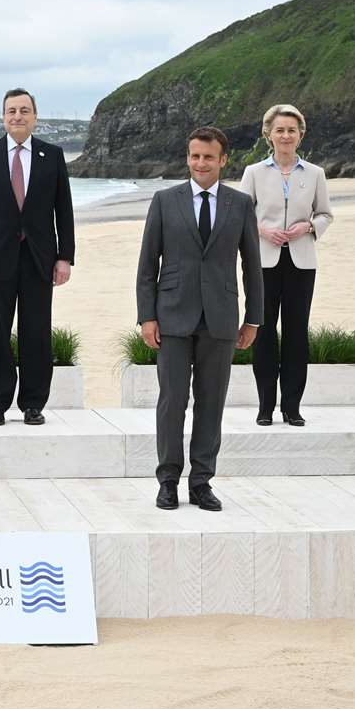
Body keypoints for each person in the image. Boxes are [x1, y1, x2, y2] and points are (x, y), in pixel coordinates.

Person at [135, 126, 263, 512]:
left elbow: (252, 266)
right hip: (172, 316)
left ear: (223, 160)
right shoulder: (164, 200)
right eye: (194, 156)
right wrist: (146, 317)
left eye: (208, 157)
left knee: (212, 403)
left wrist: (254, 319)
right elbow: (147, 265)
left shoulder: (239, 205)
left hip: (221, 318)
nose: (200, 163)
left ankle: (202, 481)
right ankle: (168, 480)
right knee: (172, 401)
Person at [0, 88, 75, 426]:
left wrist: (64, 256)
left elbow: (63, 210)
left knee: (36, 331)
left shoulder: (52, 156)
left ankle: (33, 403)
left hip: (40, 257)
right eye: (11, 111)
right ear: (3, 117)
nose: (18, 116)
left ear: (35, 117)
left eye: (24, 110)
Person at [238, 103, 333, 427]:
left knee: (296, 334)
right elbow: (241, 213)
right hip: (263, 261)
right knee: (262, 333)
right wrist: (263, 229)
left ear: (300, 134)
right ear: (269, 134)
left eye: (292, 130)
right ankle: (265, 406)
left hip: (302, 262)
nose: (286, 135)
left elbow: (325, 214)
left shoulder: (315, 173)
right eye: (280, 129)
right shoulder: (254, 172)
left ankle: (291, 407)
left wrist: (307, 227)